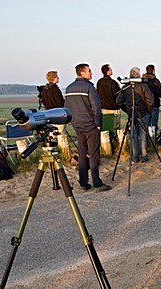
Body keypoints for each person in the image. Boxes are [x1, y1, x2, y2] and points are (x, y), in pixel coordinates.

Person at [64, 63, 111, 192]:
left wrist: (73, 122)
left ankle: (83, 182)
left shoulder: (69, 89)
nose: (91, 73)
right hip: (90, 125)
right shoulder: (88, 87)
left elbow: (67, 107)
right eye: (89, 71)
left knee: (82, 154)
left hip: (77, 125)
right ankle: (97, 183)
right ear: (82, 73)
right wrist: (98, 123)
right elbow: (96, 107)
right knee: (94, 154)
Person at [116, 67, 154, 163]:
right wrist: (148, 110)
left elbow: (119, 101)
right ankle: (144, 156)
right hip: (143, 113)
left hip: (132, 113)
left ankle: (135, 156)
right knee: (143, 134)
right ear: (138, 75)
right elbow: (150, 100)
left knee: (133, 134)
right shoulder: (143, 86)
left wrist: (127, 110)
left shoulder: (125, 87)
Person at [96, 64, 121, 148]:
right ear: (107, 71)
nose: (112, 70)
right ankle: (116, 146)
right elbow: (118, 95)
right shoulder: (113, 82)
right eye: (110, 69)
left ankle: (106, 146)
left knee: (106, 128)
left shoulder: (99, 82)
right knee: (116, 128)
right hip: (114, 108)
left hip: (103, 108)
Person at [143, 64, 161, 139]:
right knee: (154, 124)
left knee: (146, 124)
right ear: (153, 71)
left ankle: (145, 140)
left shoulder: (142, 81)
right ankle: (153, 140)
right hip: (155, 105)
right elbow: (160, 94)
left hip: (145, 106)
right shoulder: (156, 81)